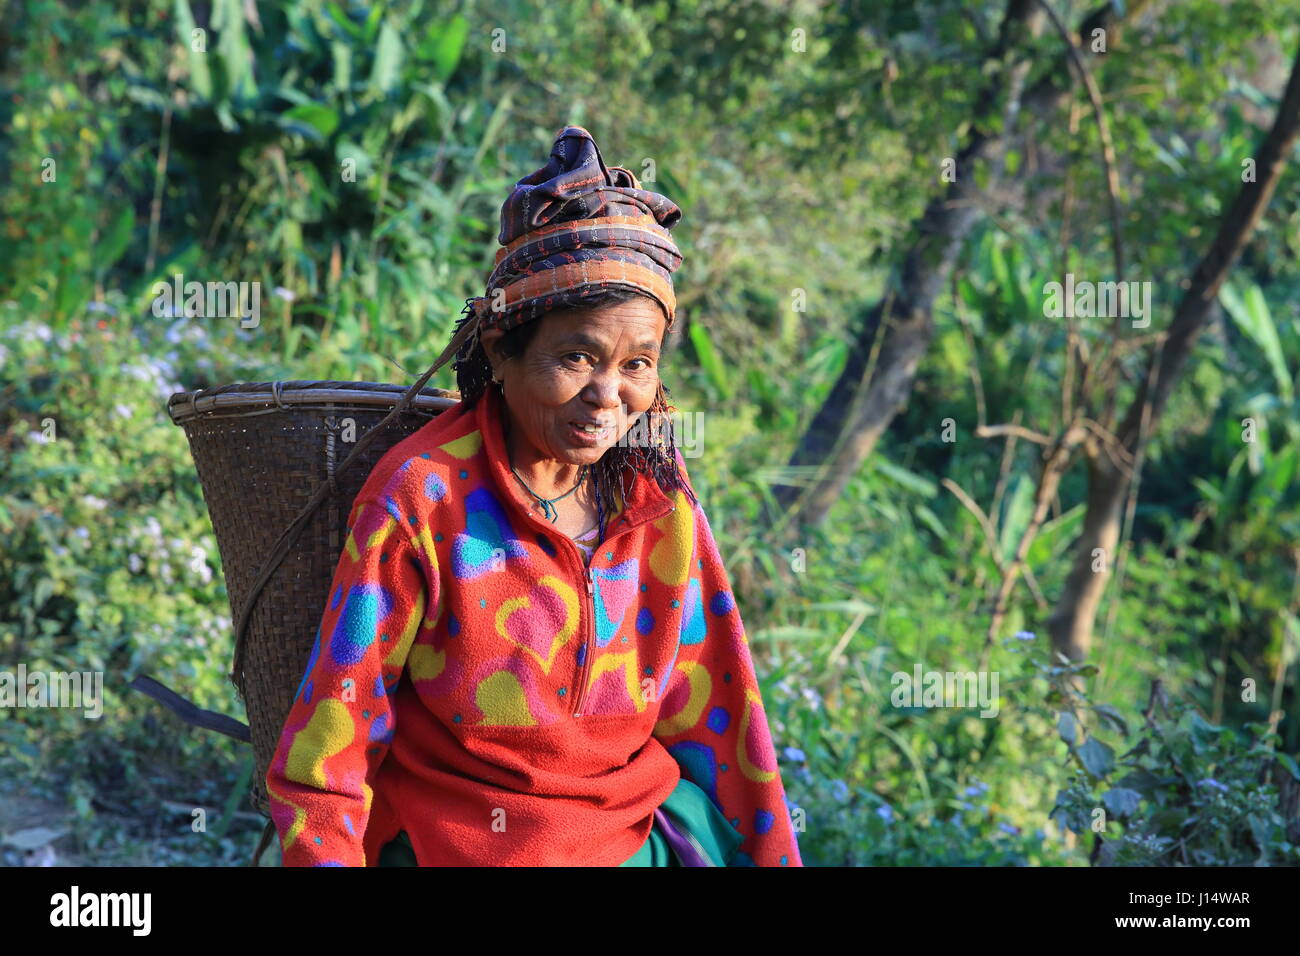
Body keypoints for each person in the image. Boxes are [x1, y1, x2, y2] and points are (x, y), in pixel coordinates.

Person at [265, 125, 803, 867]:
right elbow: (332, 744)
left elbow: (725, 720)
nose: (608, 397)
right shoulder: (423, 500)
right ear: (500, 350)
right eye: (575, 356)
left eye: (637, 364)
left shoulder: (660, 508)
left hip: (627, 840)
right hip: (452, 843)